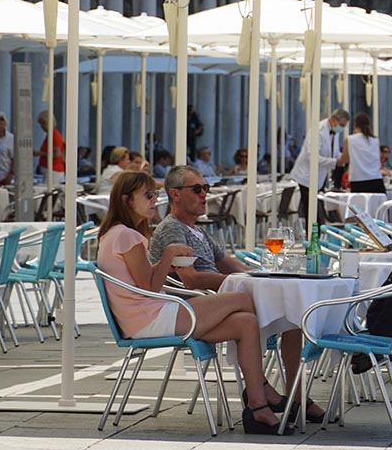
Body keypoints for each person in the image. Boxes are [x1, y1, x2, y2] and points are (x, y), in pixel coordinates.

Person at [97, 170, 288, 433]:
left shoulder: (118, 234)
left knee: (245, 322)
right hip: (148, 318)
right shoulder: (125, 235)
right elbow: (149, 287)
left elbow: (145, 281)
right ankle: (261, 386)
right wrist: (168, 255)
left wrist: (165, 262)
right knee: (243, 299)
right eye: (148, 195)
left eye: (155, 194)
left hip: (147, 315)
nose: (154, 200)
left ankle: (257, 405)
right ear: (126, 199)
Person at [149, 165, 326, 424]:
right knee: (263, 313)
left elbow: (229, 263)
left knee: (292, 316)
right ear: (175, 194)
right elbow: (191, 280)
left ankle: (295, 397)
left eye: (205, 188)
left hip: (217, 301)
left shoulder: (197, 230)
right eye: (197, 189)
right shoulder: (172, 230)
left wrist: (257, 277)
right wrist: (239, 283)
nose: (204, 194)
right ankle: (261, 390)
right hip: (193, 308)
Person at [290, 108, 348, 220]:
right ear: (333, 120)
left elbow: (335, 152)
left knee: (317, 212)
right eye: (341, 125)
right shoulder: (318, 131)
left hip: (320, 178)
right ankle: (312, 231)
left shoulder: (334, 132)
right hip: (306, 176)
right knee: (311, 212)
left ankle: (315, 229)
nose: (341, 128)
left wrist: (343, 158)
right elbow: (313, 157)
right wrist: (336, 162)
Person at [338, 113, 383, 194]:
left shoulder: (350, 139)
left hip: (358, 179)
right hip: (376, 178)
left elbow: (344, 159)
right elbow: (379, 157)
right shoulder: (375, 140)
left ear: (355, 125)